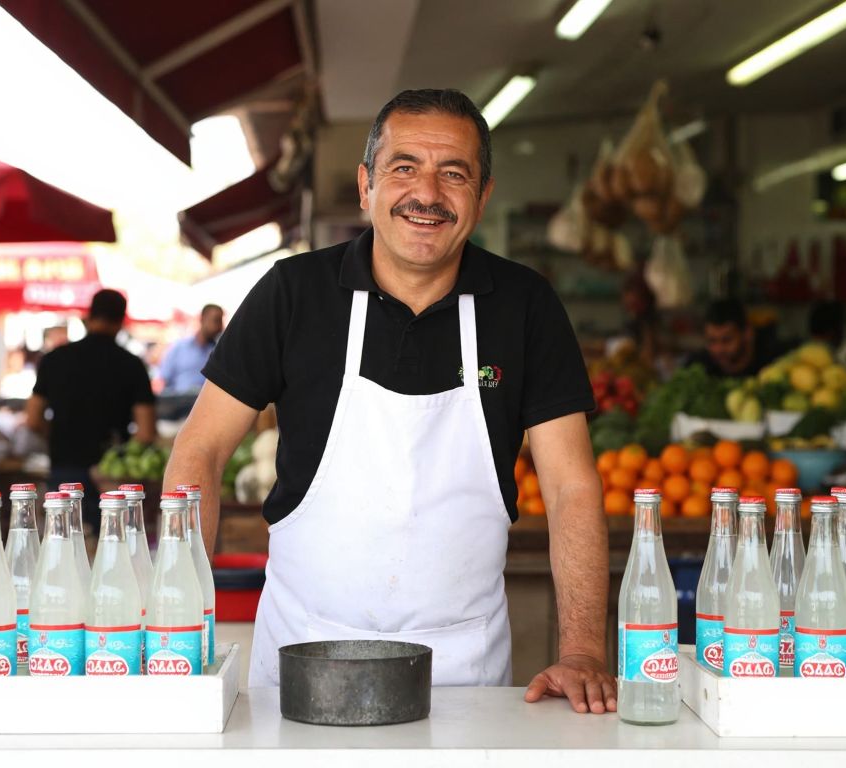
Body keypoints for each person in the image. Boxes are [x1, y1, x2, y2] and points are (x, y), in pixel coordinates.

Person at [165, 89, 613, 713]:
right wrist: (176, 625)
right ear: (365, 185)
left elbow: (571, 487)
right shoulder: (293, 295)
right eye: (404, 167)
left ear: (482, 198)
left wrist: (585, 651)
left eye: (453, 173)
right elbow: (201, 449)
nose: (426, 194)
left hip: (465, 683)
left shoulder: (525, 306)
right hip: (301, 661)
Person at [26, 290, 156, 526]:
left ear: (89, 315)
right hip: (112, 474)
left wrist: (56, 433)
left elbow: (33, 419)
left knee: (64, 547)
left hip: (64, 466)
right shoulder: (131, 365)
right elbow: (146, 431)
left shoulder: (55, 359)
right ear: (121, 321)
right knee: (113, 551)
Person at [684, 299, 781, 378]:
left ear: (748, 333)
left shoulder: (772, 362)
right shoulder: (697, 366)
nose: (718, 349)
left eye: (726, 340)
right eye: (712, 341)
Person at [159, 304, 225, 395]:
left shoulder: (218, 351)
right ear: (202, 319)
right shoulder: (180, 347)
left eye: (220, 321)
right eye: (216, 320)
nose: (220, 326)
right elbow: (164, 378)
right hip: (179, 403)